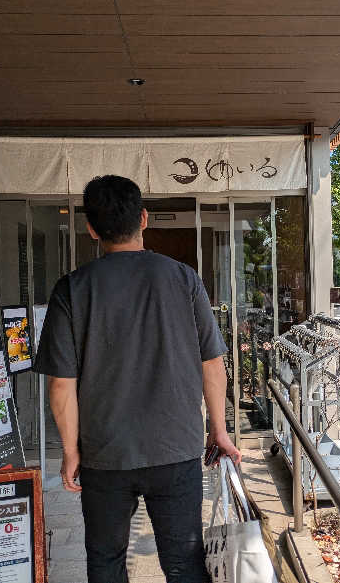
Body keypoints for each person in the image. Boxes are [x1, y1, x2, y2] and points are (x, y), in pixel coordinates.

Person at [34, 174, 240, 583]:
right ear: (144, 219)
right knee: (184, 564)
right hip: (176, 449)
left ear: (91, 228)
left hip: (105, 455)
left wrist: (71, 451)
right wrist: (219, 429)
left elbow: (61, 384)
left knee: (106, 562)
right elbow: (213, 364)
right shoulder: (184, 279)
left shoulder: (71, 289)